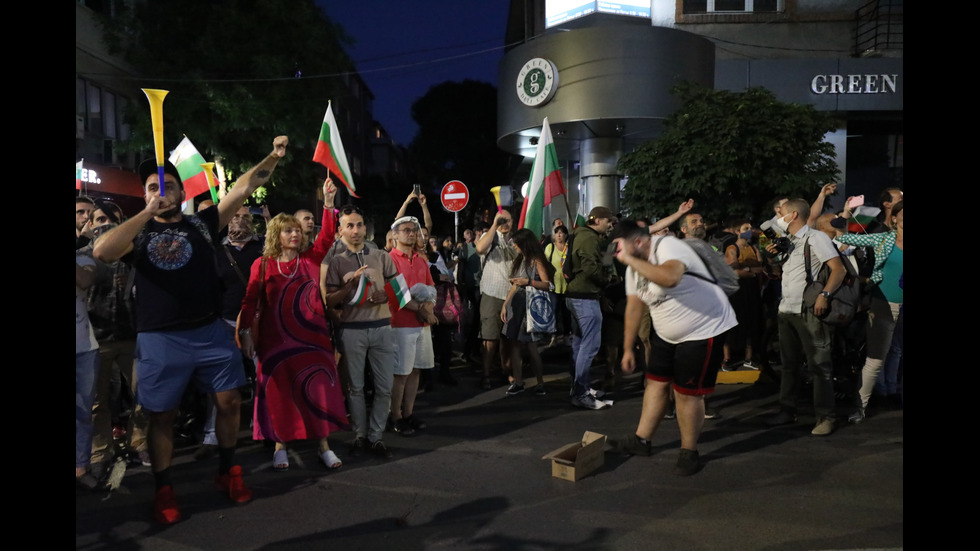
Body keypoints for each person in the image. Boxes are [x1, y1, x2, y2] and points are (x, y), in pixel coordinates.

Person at [93, 136, 289, 524]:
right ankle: (164, 488)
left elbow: (246, 185)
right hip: (159, 338)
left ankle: (228, 472)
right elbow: (102, 252)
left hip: (209, 333)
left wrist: (273, 156)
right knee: (161, 416)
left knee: (230, 402)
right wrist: (146, 211)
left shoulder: (204, 224)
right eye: (152, 187)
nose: (161, 193)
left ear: (183, 191)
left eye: (167, 186)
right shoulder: (138, 232)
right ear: (145, 194)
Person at [610, 221, 737, 475]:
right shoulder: (634, 267)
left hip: (703, 328)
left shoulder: (667, 246)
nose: (616, 253)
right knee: (655, 383)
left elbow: (670, 277)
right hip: (667, 334)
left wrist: (631, 261)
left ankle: (689, 451)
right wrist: (627, 349)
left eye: (619, 246)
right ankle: (641, 440)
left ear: (636, 242)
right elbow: (634, 306)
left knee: (687, 393)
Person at [239, 179, 348, 471]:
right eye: (289, 230)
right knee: (278, 394)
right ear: (277, 234)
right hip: (275, 341)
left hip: (312, 339)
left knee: (319, 390)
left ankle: (324, 447)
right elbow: (250, 302)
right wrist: (245, 333)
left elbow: (326, 236)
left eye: (298, 231)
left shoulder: (311, 259)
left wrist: (327, 203)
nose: (296, 235)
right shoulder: (262, 265)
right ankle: (279, 446)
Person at [321, 205, 400, 460]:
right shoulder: (335, 260)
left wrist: (384, 296)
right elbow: (330, 301)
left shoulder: (381, 255)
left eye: (359, 224)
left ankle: (376, 437)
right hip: (352, 330)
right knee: (355, 387)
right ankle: (359, 436)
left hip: (382, 328)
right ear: (341, 229)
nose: (356, 230)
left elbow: (400, 291)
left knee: (385, 387)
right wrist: (350, 287)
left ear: (365, 227)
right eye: (350, 225)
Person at [763, 198, 846, 436]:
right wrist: (771, 258)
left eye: (782, 212)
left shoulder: (816, 238)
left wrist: (825, 295)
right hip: (786, 309)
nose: (778, 216)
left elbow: (838, 269)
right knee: (788, 365)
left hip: (808, 309)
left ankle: (826, 417)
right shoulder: (787, 241)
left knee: (819, 366)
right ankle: (787, 411)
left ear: (793, 216)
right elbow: (780, 271)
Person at [836, 201, 903, 422]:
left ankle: (892, 391)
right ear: (894, 218)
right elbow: (845, 238)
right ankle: (860, 407)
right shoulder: (883, 238)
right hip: (884, 302)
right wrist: (846, 216)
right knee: (875, 359)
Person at [387, 216, 440, 435]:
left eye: (414, 230)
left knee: (416, 370)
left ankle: (408, 412)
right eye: (406, 230)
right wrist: (423, 310)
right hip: (401, 324)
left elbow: (431, 288)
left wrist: (428, 307)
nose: (411, 233)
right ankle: (395, 416)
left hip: (422, 324)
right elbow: (398, 296)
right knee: (401, 373)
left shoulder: (420, 259)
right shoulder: (390, 260)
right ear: (395, 235)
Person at [565, 206, 618, 409]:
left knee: (580, 345)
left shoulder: (584, 235)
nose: (611, 224)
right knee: (590, 346)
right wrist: (608, 278)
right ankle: (580, 392)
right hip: (584, 297)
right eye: (608, 221)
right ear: (597, 220)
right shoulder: (589, 239)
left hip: (578, 296)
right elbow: (590, 269)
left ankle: (580, 387)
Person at [500, 228, 554, 396]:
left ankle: (540, 382)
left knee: (531, 346)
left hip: (530, 305)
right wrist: (505, 304)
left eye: (516, 243)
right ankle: (518, 381)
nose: (514, 246)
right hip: (517, 303)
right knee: (514, 344)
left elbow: (548, 284)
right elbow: (515, 285)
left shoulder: (535, 260)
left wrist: (529, 281)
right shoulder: (520, 259)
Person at [475, 210, 518, 390]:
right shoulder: (490, 236)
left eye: (507, 220)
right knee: (490, 337)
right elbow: (479, 248)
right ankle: (485, 373)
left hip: (511, 294)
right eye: (501, 219)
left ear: (513, 221)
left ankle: (505, 370)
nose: (504, 223)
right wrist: (494, 224)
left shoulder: (516, 240)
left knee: (507, 337)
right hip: (492, 293)